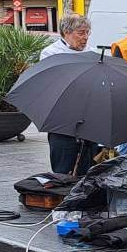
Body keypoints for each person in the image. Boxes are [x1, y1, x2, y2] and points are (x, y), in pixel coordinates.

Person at [39, 12, 99, 175]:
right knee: (63, 161)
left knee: (89, 161)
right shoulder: (51, 53)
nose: (85, 37)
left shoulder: (92, 53)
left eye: (87, 33)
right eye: (81, 33)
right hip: (62, 116)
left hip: (89, 114)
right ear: (66, 32)